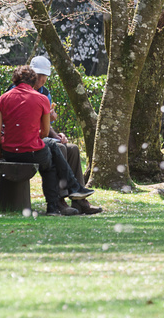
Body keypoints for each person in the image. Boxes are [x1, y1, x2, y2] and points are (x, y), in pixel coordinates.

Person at [0, 65, 79, 216]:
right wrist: (30, 139)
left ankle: (73, 189)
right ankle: (53, 206)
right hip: (32, 151)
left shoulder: (2, 98)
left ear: (15, 80)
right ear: (34, 81)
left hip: (9, 152)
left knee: (50, 149)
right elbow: (45, 132)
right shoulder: (41, 99)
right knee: (49, 165)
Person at [27, 55, 102, 215]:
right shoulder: (22, 91)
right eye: (38, 75)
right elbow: (30, 122)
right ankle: (60, 201)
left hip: (43, 136)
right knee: (59, 148)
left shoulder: (45, 93)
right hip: (31, 140)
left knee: (73, 148)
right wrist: (47, 120)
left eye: (44, 76)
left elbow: (47, 126)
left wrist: (57, 134)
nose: (40, 79)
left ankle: (79, 200)